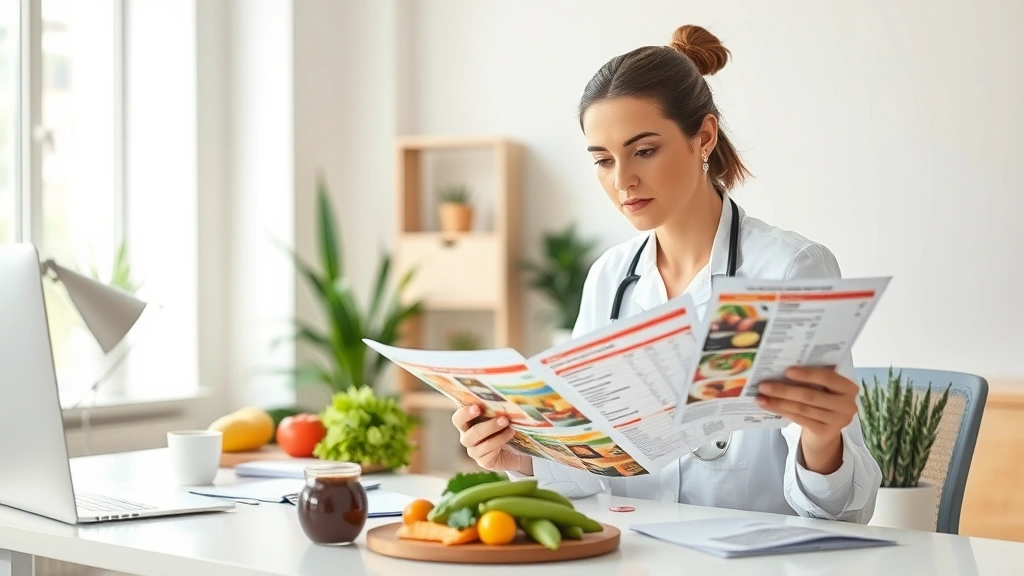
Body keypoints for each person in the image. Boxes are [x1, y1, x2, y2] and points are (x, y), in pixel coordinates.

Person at [451, 24, 882, 523]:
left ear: (704, 136)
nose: (622, 181)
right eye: (603, 160)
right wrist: (521, 458)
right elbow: (595, 471)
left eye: (644, 150)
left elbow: (844, 511)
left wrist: (823, 438)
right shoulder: (611, 279)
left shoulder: (790, 269)